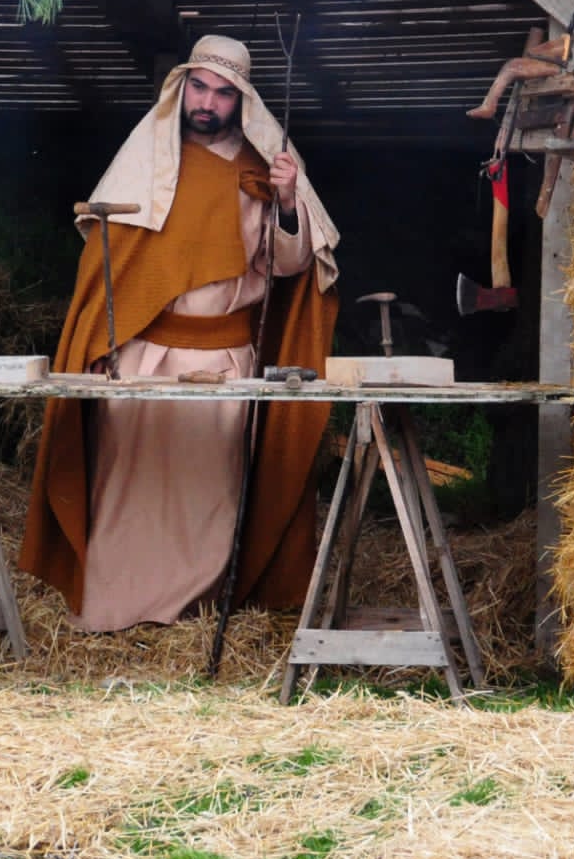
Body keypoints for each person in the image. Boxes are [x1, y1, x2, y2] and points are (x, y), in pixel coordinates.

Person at [20, 35, 342, 632]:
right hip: (140, 356)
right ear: (181, 87)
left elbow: (290, 266)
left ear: (240, 101)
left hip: (221, 362)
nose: (209, 102)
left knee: (210, 491)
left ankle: (192, 616)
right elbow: (108, 274)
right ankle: (114, 610)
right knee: (127, 488)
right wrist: (98, 348)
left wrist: (289, 199)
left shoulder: (259, 172)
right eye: (200, 87)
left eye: (224, 93)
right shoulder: (141, 163)